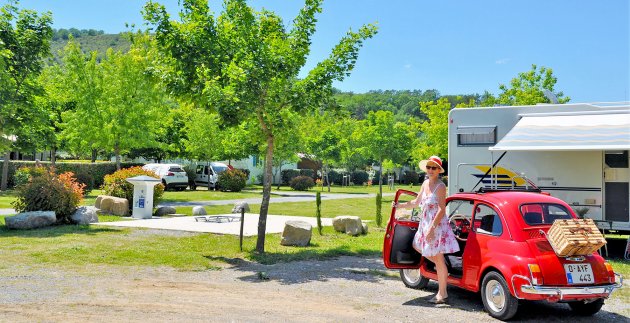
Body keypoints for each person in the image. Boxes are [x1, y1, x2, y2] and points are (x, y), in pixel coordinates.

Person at [392, 155, 459, 304]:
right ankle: (441, 268)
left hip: (437, 226)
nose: (430, 170)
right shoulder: (425, 183)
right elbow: (416, 202)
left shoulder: (441, 186)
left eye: (433, 168)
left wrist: (432, 229)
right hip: (425, 224)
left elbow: (442, 210)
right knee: (417, 246)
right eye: (428, 167)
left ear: (438, 171)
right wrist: (400, 205)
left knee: (438, 259)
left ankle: (442, 293)